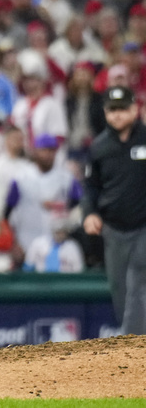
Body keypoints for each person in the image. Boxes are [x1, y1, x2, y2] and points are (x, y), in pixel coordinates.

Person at [82, 85, 146, 334]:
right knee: (119, 287)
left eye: (123, 109)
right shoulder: (99, 147)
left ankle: (133, 339)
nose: (117, 115)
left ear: (135, 108)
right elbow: (91, 187)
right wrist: (90, 213)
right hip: (114, 228)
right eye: (112, 110)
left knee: (139, 280)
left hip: (143, 225)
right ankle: (133, 341)